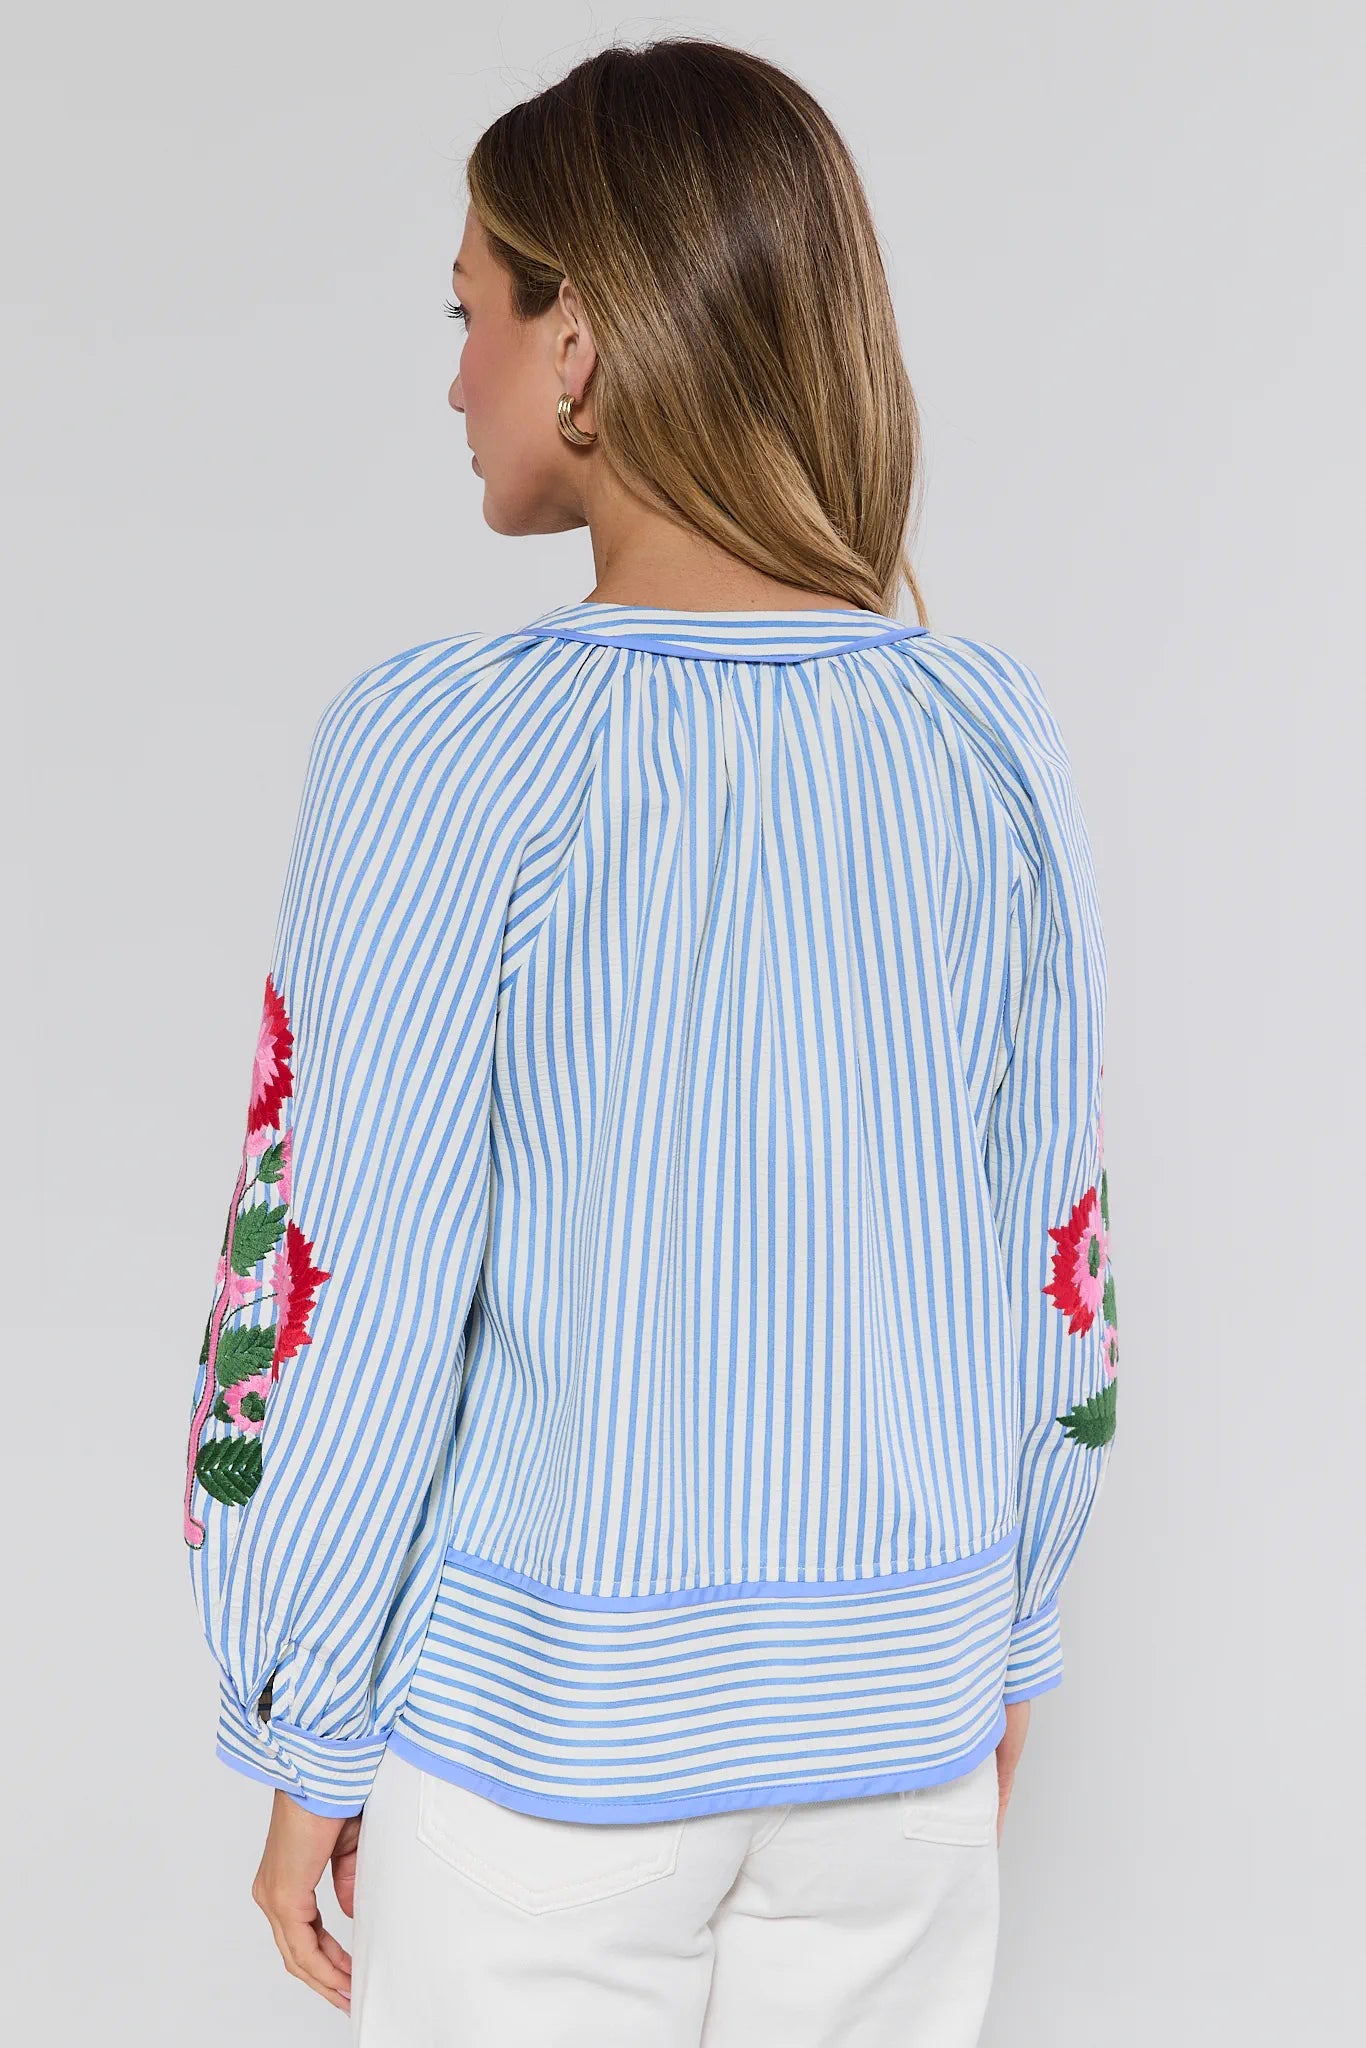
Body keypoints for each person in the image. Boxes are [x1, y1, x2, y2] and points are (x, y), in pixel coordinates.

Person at [181, 35, 1118, 2048]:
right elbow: (1048, 1239)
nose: (452, 378)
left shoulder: (443, 744)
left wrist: (302, 1717)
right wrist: (1004, 1636)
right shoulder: (982, 736)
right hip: (899, 1736)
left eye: (471, 314)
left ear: (580, 342)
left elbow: (345, 1279)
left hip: (543, 1751)